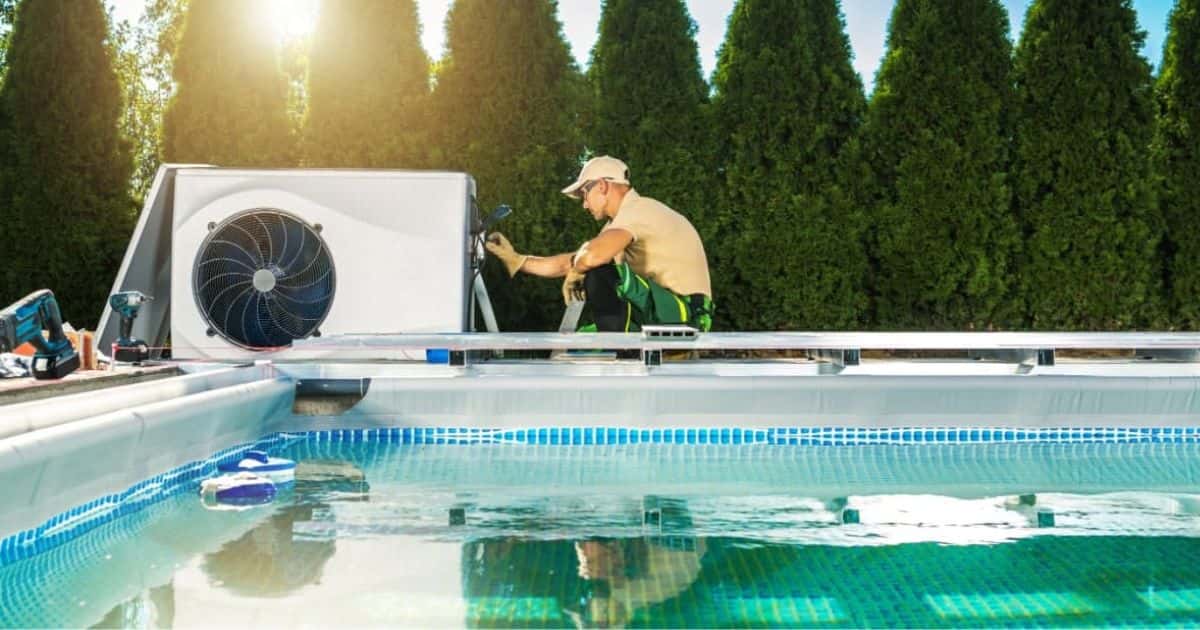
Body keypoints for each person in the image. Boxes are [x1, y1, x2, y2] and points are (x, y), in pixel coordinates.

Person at [485, 156, 714, 332]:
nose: (584, 204)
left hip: (688, 315)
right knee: (581, 343)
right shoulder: (621, 223)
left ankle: (622, 350)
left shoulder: (639, 210)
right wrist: (517, 260)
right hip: (665, 311)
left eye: (585, 194)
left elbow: (591, 258)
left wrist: (580, 267)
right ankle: (617, 347)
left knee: (600, 273)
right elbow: (573, 261)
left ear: (602, 185)